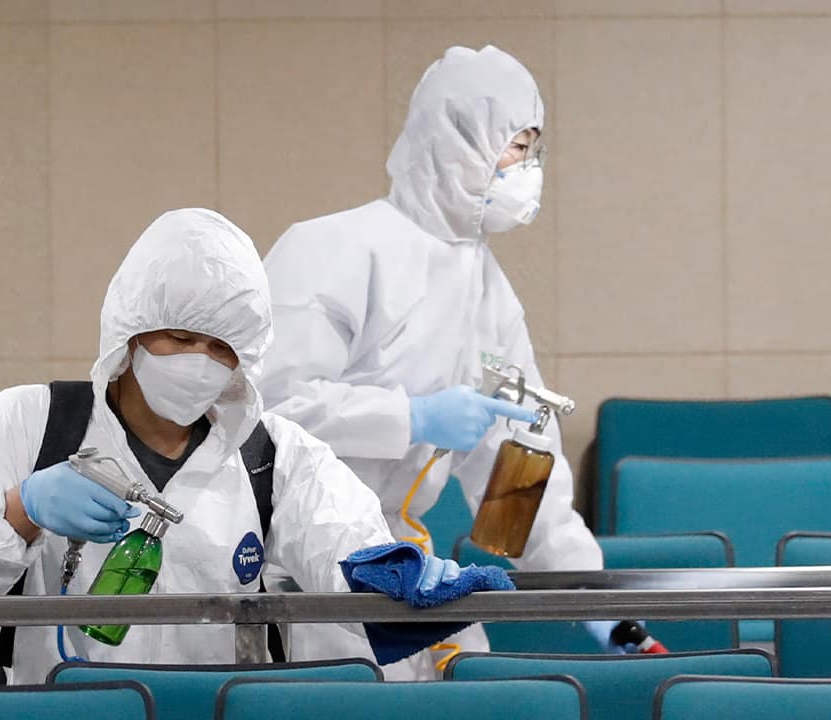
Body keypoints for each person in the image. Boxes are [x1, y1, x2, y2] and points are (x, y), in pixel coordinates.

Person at [0, 208, 480, 684]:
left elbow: (348, 546)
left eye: (221, 348)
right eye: (179, 337)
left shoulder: (272, 456)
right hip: (60, 708)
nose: (199, 361)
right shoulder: (30, 424)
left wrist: (398, 578)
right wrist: (21, 509)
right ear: (130, 331)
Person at [258, 45, 622, 679]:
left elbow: (517, 456)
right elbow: (267, 409)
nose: (527, 166)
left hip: (409, 571)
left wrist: (587, 592)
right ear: (455, 142)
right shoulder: (336, 248)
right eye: (514, 145)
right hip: (303, 570)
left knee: (467, 683)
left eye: (534, 149)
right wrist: (412, 416)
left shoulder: (488, 289)